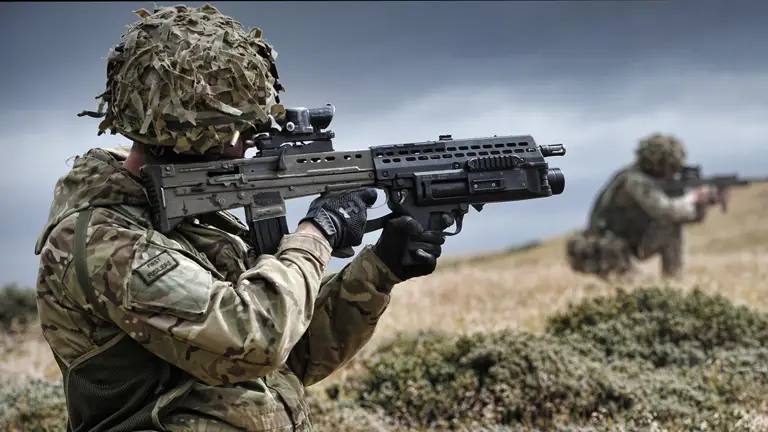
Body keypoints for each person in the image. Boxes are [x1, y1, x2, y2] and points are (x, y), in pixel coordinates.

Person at [34, 5, 449, 431]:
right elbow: (257, 342)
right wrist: (317, 232)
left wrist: (377, 271)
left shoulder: (194, 221)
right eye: (237, 129)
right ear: (186, 132)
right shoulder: (101, 242)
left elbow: (292, 355)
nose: (248, 143)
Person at [565, 133, 726, 280]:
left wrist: (702, 204)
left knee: (672, 229)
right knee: (640, 291)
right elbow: (666, 210)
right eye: (671, 167)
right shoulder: (634, 181)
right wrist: (693, 198)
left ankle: (675, 283)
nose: (673, 173)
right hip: (605, 251)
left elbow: (684, 217)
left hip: (626, 246)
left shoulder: (644, 179)